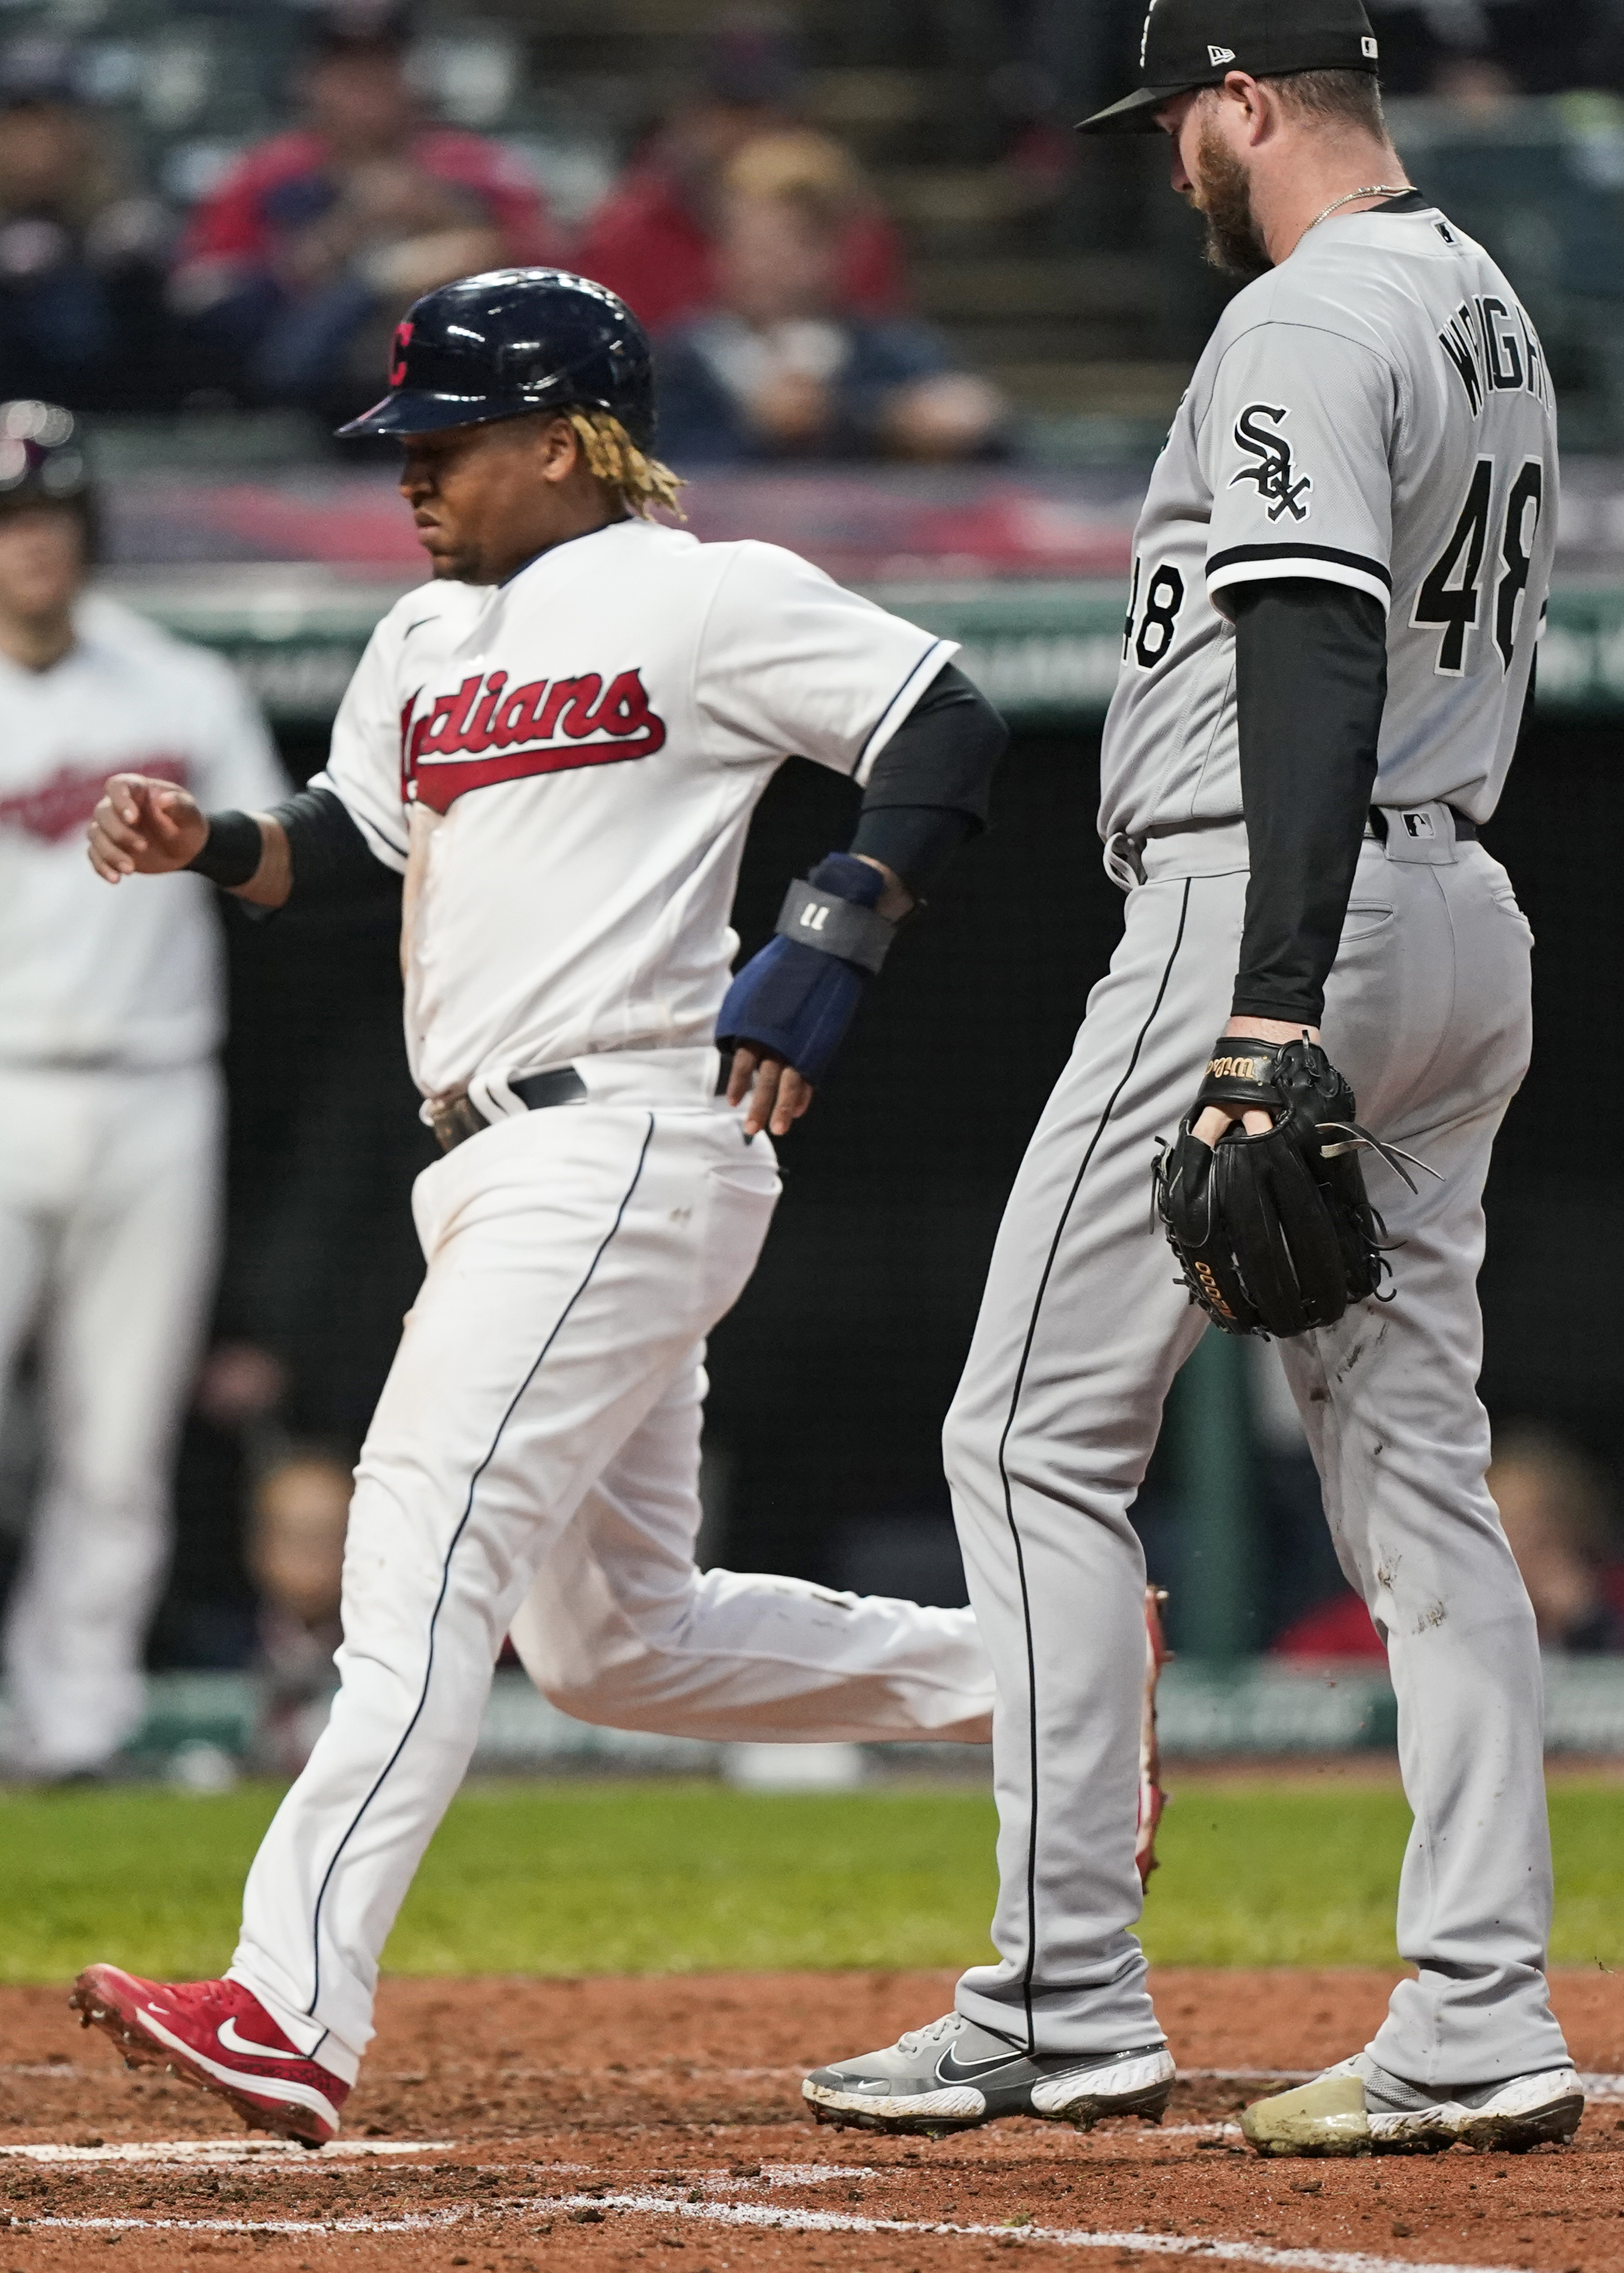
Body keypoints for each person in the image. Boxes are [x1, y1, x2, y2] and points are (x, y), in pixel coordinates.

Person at [69, 266, 1004, 2145]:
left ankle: (290, 2004)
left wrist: (832, 932)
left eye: (447, 434)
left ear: (570, 436)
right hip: (493, 1154)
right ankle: (1044, 1671)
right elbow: (354, 846)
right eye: (402, 437)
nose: (412, 467)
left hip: (626, 1130)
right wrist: (213, 844)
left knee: (416, 1559)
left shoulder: (700, 588)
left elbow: (942, 720)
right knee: (615, 1647)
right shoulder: (423, 633)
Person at [806, 0, 1585, 2159]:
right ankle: (1476, 2006)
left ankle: (1051, 1993)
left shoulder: (1303, 309)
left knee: (1028, 1433)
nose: (1167, 161)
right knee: (1417, 1475)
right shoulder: (1479, 299)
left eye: (1175, 119)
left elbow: (1312, 640)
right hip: (1454, 912)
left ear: (1243, 97)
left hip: (1271, 908)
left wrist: (1259, 1002)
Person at [0, 401, 286, 1781]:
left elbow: (284, 864)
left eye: (48, 519)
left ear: (89, 530)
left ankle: (79, 1723)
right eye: (8, 525)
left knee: (116, 1441)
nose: (30, 546)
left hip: (158, 1088)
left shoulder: (178, 686)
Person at [172, 2, 554, 422]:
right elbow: (201, 294)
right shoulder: (264, 174)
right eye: (346, 72)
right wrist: (342, 235)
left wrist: (441, 217)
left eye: (382, 68)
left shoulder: (478, 168)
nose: (366, 87)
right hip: (300, 388)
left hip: (462, 388)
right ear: (309, 81)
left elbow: (552, 278)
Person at [656, 132, 1007, 465]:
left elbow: (981, 437)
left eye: (782, 248)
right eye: (743, 245)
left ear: (831, 251)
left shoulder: (892, 353)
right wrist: (757, 431)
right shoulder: (679, 363)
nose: (757, 268)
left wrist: (887, 421)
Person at [575, 9, 905, 336]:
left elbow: (877, 339)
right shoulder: (628, 227)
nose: (748, 129)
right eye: (731, 110)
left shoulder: (843, 218)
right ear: (691, 113)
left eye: (766, 109)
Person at [0, 39, 179, 411]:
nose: (37, 142)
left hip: (116, 414)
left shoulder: (119, 216)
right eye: (21, 125)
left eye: (53, 122)